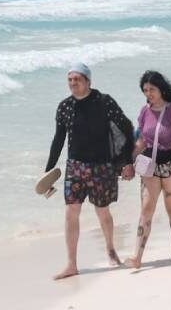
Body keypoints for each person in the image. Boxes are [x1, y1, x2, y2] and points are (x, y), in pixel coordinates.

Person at [45, 63, 135, 280]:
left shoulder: (104, 102)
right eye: (70, 79)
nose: (73, 83)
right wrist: (47, 174)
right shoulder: (65, 107)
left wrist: (127, 161)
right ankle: (71, 264)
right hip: (75, 167)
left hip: (102, 166)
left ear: (88, 81)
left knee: (102, 211)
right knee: (71, 212)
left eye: (77, 79)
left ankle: (111, 249)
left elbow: (127, 127)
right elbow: (58, 140)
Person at [126, 71, 171, 269]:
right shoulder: (144, 112)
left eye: (152, 89)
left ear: (161, 89)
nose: (148, 94)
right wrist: (128, 162)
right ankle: (137, 257)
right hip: (149, 165)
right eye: (145, 90)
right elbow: (141, 141)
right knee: (146, 209)